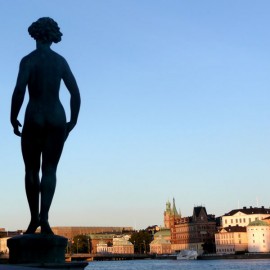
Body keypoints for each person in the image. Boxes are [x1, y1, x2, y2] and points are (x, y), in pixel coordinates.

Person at [10, 17, 81, 234]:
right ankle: (45, 219)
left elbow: (20, 90)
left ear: (35, 35)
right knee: (50, 170)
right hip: (57, 117)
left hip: (34, 116)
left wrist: (13, 117)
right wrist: (72, 121)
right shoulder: (60, 61)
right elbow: (75, 94)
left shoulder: (28, 61)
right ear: (52, 36)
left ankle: (33, 221)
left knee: (31, 170)